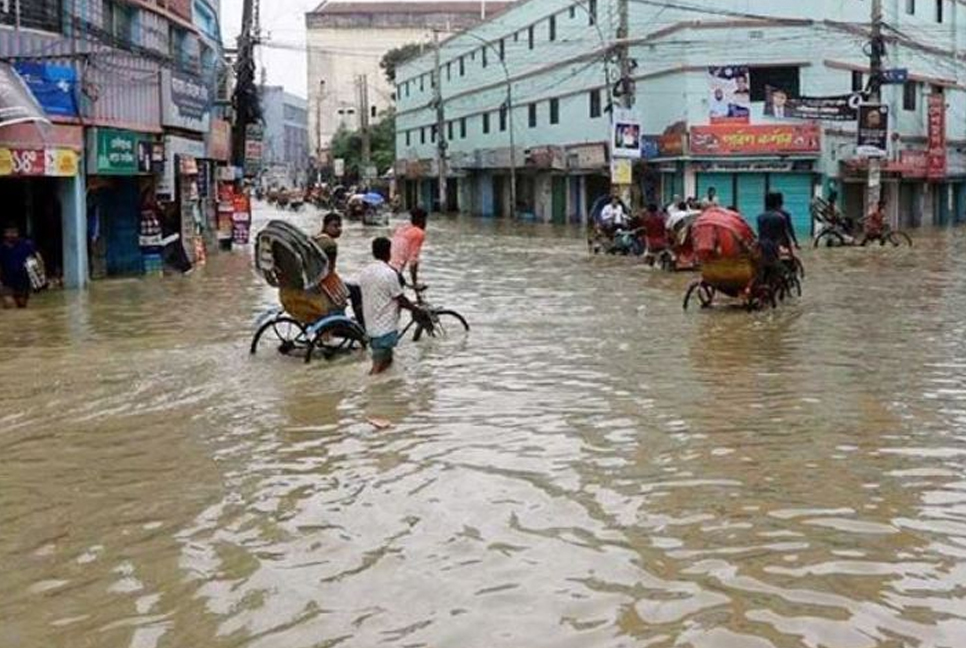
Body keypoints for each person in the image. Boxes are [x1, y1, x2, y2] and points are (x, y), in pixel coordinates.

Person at [358, 237, 420, 375]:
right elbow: (400, 298)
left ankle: (386, 393)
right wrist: (415, 309)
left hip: (371, 324)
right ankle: (370, 390)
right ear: (388, 252)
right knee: (377, 367)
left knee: (387, 362)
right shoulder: (389, 273)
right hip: (385, 327)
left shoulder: (365, 272)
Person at [757, 193, 796, 283]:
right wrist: (790, 251)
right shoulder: (781, 217)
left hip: (762, 247)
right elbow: (784, 235)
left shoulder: (760, 217)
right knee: (783, 268)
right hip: (775, 247)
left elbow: (760, 234)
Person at [390, 206, 428, 288]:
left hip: (387, 268)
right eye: (425, 220)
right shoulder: (418, 233)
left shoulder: (401, 229)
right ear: (422, 220)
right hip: (395, 273)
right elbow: (413, 262)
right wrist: (415, 284)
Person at [0, 223, 37, 308]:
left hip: (23, 282)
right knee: (9, 304)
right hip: (7, 282)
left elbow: (34, 262)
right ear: (5, 234)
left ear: (17, 233)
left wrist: (36, 282)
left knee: (22, 306)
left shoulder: (26, 245)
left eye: (14, 232)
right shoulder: (2, 248)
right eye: (9, 232)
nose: (11, 235)